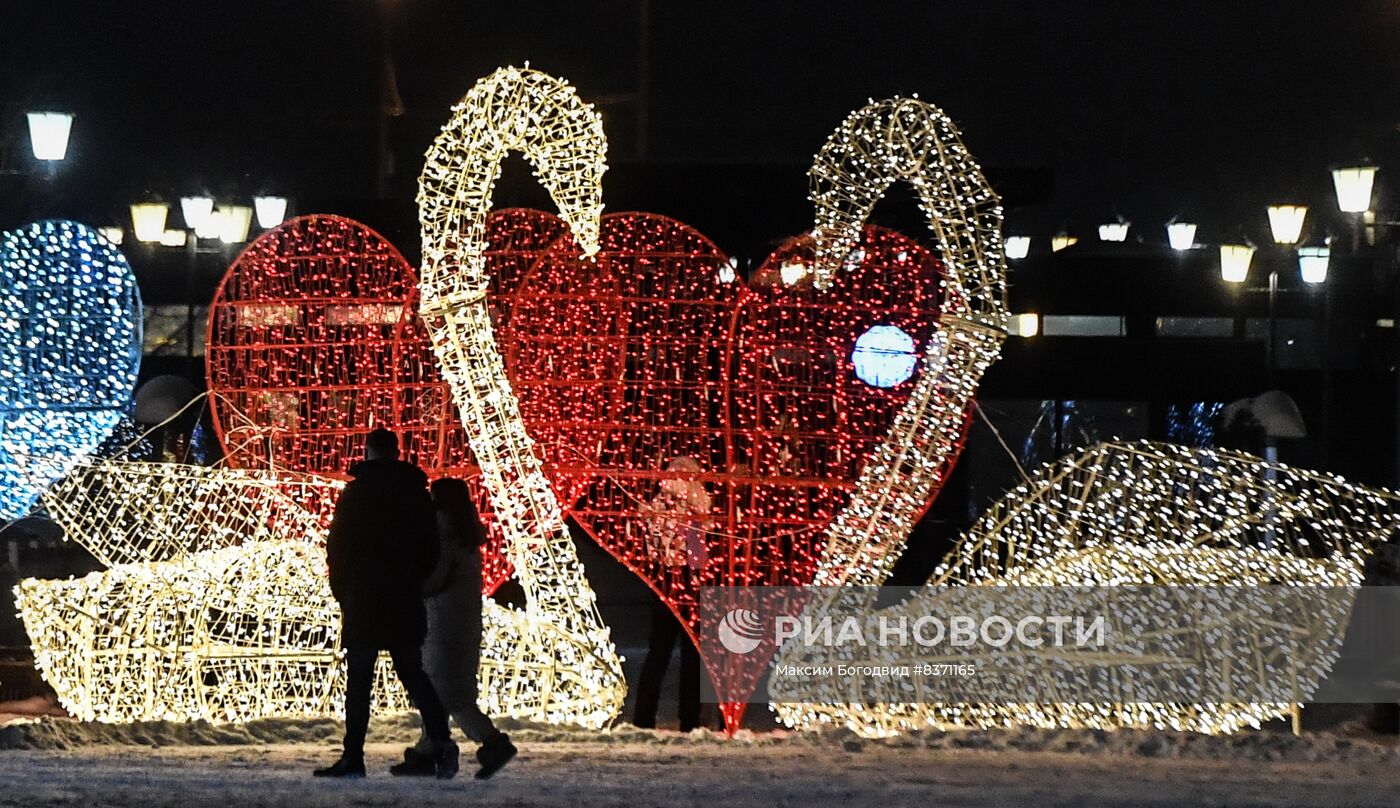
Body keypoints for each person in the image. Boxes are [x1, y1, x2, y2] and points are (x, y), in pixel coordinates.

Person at [314, 428, 458, 780]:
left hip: (364, 597)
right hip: (403, 597)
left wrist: (344, 591)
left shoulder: (356, 492)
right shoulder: (416, 493)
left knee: (359, 681)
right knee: (413, 674)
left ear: (368, 452)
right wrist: (414, 580)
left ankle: (353, 757)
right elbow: (430, 549)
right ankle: (442, 742)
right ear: (396, 452)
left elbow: (338, 546)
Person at [391, 477, 517, 779]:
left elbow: (434, 581)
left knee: (449, 696)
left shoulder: (443, 536)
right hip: (461, 622)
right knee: (443, 692)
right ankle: (429, 749)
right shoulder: (466, 537)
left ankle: (491, 742)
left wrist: (407, 586)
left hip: (442, 624)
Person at [632, 456, 712, 731]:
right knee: (691, 654)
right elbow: (698, 553)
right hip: (688, 581)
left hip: (663, 581)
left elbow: (650, 547)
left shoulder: (656, 506)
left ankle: (644, 718)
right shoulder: (695, 507)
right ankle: (689, 719)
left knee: (660, 651)